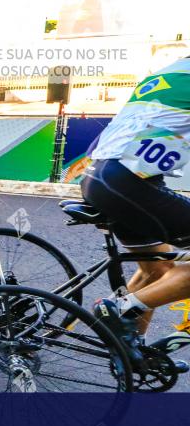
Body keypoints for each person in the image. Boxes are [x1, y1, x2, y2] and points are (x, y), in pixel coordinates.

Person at [80, 55, 190, 365]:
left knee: (157, 270)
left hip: (102, 177)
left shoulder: (171, 71)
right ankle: (119, 311)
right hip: (127, 183)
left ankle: (129, 353)